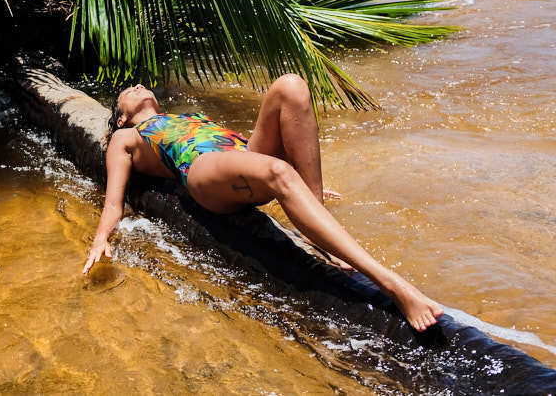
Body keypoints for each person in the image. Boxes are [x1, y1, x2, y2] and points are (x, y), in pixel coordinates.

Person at [81, 74, 445, 332]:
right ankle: (392, 285)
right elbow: (115, 201)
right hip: (203, 172)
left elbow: (244, 140)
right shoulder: (126, 136)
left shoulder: (186, 117)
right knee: (278, 171)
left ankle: (315, 216)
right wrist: (101, 238)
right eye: (130, 90)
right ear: (122, 115)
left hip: (238, 159)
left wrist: (308, 185)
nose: (139, 86)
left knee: (291, 86)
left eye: (140, 84)